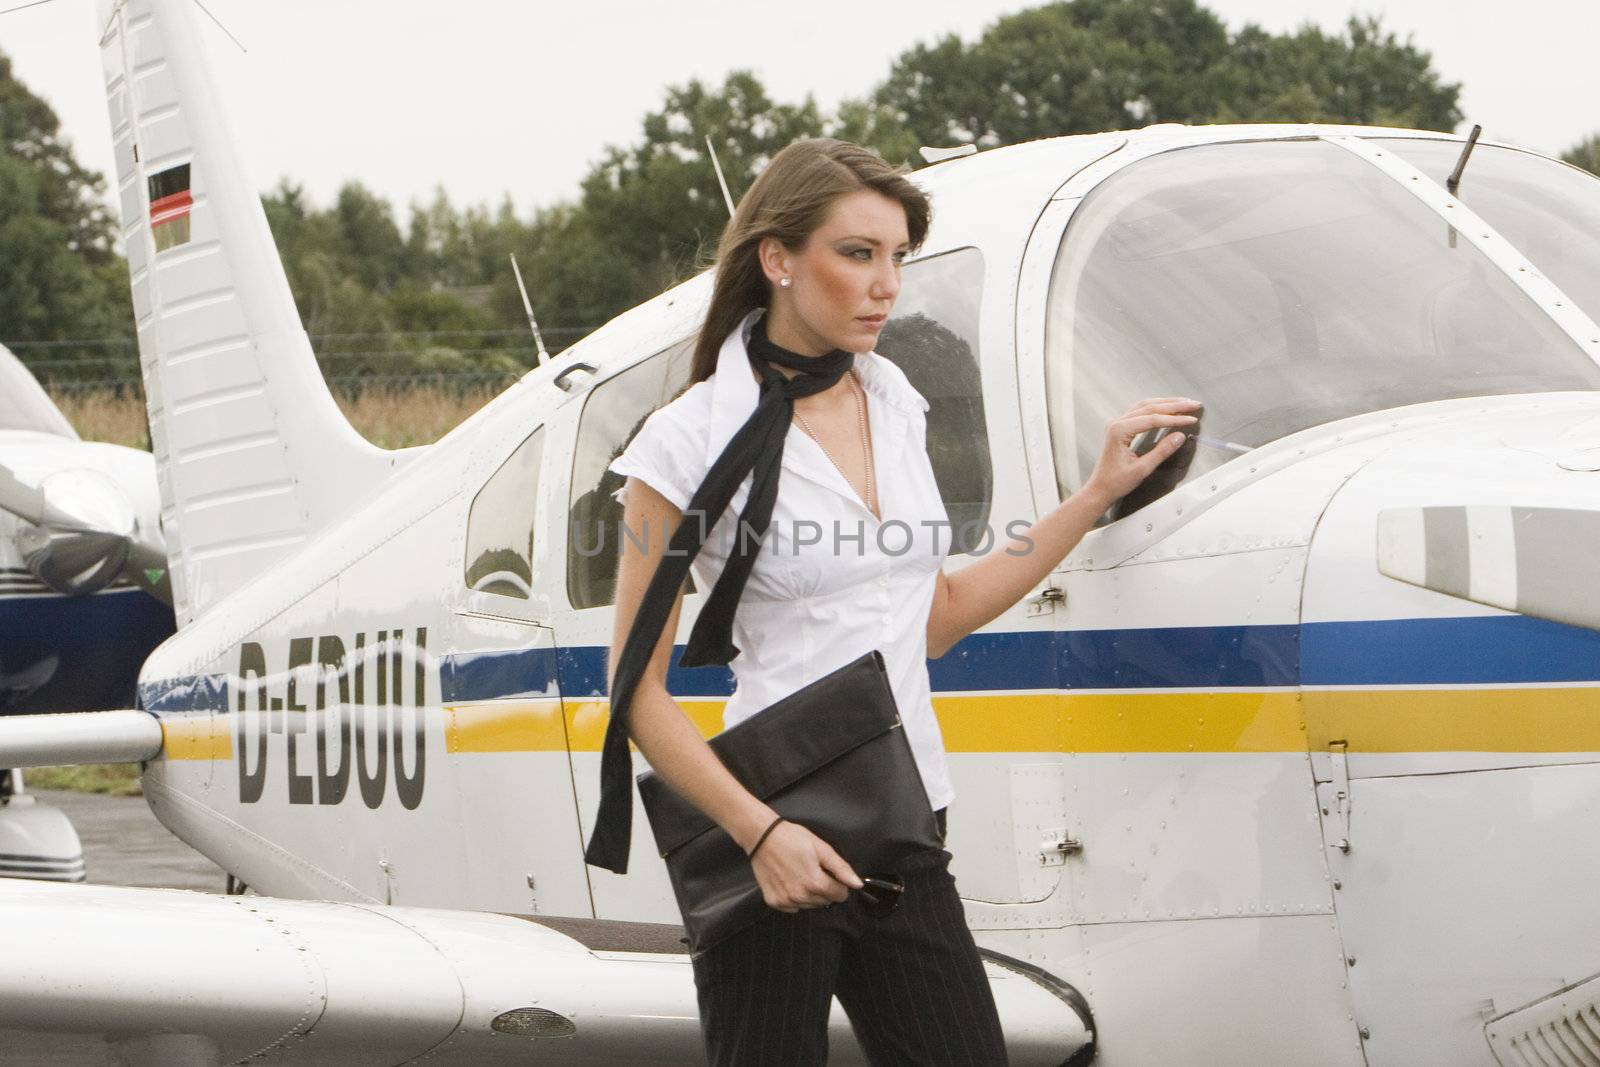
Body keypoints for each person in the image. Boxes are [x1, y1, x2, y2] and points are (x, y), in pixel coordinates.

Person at [603, 137, 1199, 1065]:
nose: (886, 284)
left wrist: (1091, 497)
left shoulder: (895, 401)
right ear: (778, 260)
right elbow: (635, 691)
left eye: (898, 258)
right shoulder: (681, 444)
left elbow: (936, 615)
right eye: (857, 254)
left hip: (906, 814)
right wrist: (761, 835)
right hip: (775, 828)